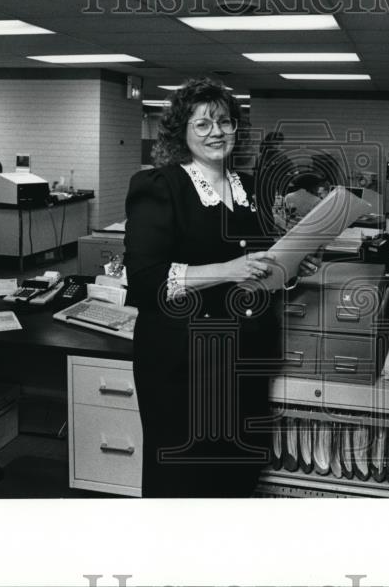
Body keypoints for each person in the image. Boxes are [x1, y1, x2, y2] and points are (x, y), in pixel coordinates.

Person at [123, 78, 319, 497]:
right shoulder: (160, 186)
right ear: (182, 131)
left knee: (238, 474)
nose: (217, 132)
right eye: (204, 124)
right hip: (183, 366)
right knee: (185, 481)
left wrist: (292, 266)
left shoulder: (249, 189)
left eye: (225, 122)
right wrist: (228, 269)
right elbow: (144, 280)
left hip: (245, 359)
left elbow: (259, 268)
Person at [253, 130, 293, 233]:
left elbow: (290, 170)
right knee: (267, 211)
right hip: (266, 188)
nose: (279, 146)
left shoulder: (276, 157)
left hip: (271, 189)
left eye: (280, 143)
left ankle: (268, 229)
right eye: (277, 143)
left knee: (269, 211)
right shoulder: (268, 157)